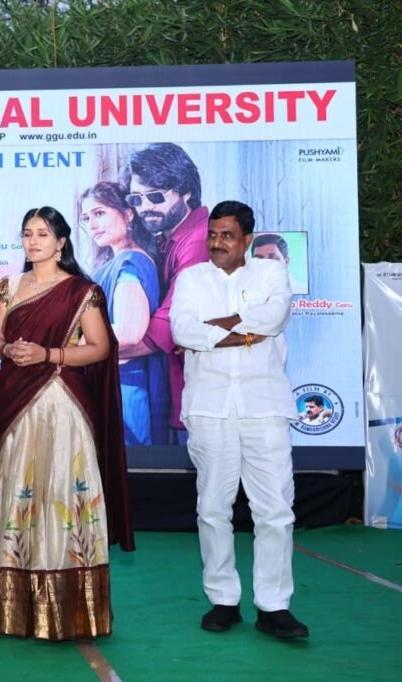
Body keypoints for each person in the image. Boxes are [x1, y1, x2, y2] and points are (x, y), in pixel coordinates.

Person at [0, 206, 134, 641]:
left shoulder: (81, 291)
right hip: (18, 404)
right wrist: (9, 350)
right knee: (19, 493)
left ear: (61, 242)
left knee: (64, 491)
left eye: (43, 234)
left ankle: (70, 610)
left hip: (62, 404)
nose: (33, 241)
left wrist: (47, 355)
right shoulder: (10, 286)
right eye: (27, 233)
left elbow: (100, 347)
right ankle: (13, 610)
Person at [171, 200, 308, 639]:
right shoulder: (191, 278)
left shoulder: (270, 273)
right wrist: (245, 333)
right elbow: (182, 330)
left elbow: (274, 317)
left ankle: (274, 605)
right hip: (209, 406)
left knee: (276, 511)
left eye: (227, 236)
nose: (217, 243)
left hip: (264, 406)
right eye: (213, 235)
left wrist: (214, 330)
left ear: (247, 239)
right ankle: (223, 600)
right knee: (213, 508)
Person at [119, 142, 210, 443]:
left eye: (156, 196)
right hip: (177, 394)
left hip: (202, 403)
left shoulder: (199, 240)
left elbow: (167, 327)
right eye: (136, 199)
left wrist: (79, 353)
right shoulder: (162, 240)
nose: (145, 207)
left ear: (186, 192)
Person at [80, 182, 169, 446]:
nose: (92, 225)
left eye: (99, 213)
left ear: (128, 214)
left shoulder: (131, 261)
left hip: (123, 388)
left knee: (124, 465)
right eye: (86, 218)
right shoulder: (113, 262)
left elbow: (129, 332)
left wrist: (64, 346)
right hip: (107, 383)